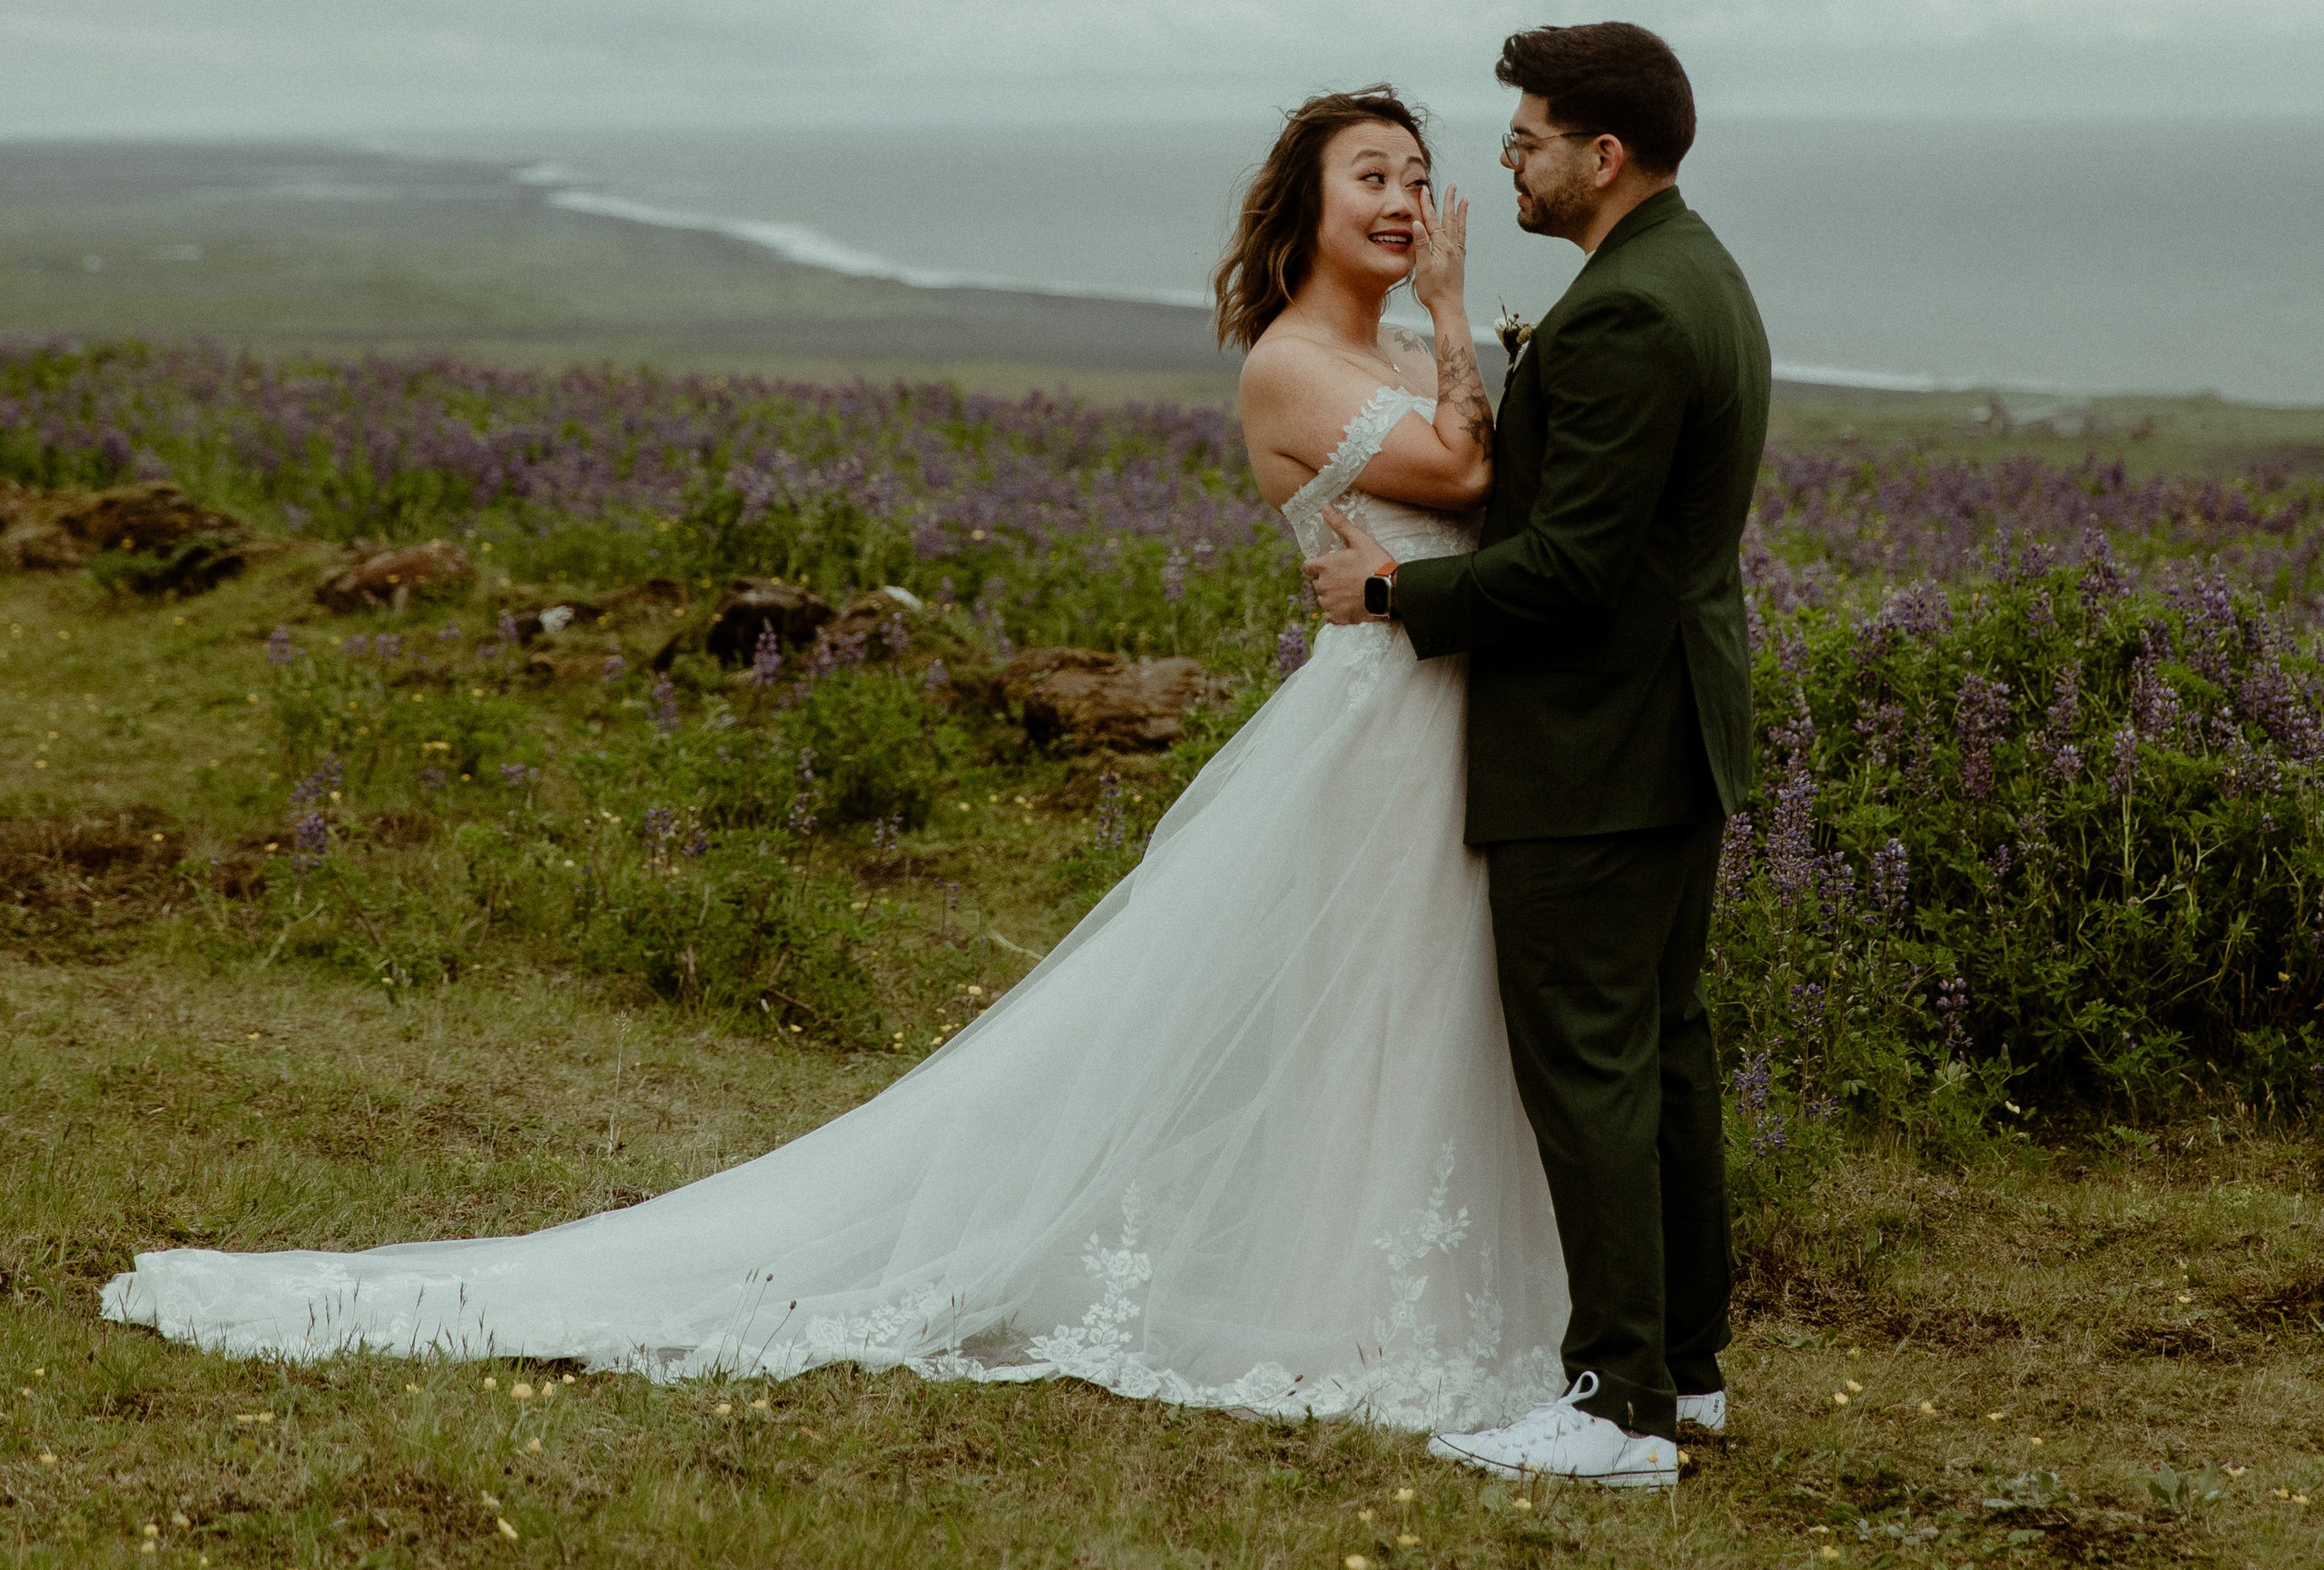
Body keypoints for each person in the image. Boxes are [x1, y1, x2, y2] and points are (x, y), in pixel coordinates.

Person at [102, 88, 1571, 1436]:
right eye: (1371, 175)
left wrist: (1438, 336)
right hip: (1371, 727)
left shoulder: (1382, 349)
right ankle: (1354, 1319)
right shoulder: (1293, 362)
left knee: (1411, 1013)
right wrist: (1455, 311)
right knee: (1370, 1006)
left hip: (1434, 715)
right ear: (1302, 208)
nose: (1406, 198)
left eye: (1421, 178)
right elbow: (1463, 475)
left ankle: (1403, 1303)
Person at [1309, 22, 1770, 1486]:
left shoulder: (1632, 312)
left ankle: (1617, 1404)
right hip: (1672, 728)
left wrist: (1395, 591)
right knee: (1664, 1049)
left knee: (1589, 1063)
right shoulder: (1692, 273)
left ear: (1602, 153)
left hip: (1600, 742)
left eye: (1523, 141)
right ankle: (1685, 1372)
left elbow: (1570, 568)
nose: (1503, 162)